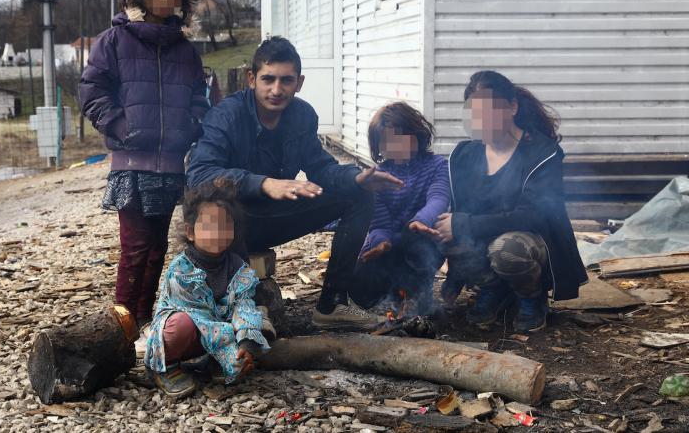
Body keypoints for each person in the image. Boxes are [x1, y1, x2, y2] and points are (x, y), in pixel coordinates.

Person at [186, 36, 404, 331]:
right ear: (252, 79)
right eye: (268, 79)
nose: (277, 90)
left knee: (359, 196)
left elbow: (320, 167)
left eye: (286, 80)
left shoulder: (302, 115)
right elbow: (199, 175)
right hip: (230, 224)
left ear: (299, 82)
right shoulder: (227, 115)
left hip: (271, 218)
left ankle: (333, 305)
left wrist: (355, 177)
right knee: (219, 205)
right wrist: (264, 184)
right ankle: (244, 307)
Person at [79, 0, 210, 330]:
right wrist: (120, 127)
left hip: (171, 165)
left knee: (156, 249)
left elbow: (199, 97)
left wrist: (192, 124)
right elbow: (91, 91)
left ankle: (144, 319)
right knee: (134, 249)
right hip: (132, 168)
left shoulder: (185, 51)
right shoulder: (114, 41)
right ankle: (121, 326)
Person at [436, 70, 587, 333]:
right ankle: (493, 290)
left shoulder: (542, 153)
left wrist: (464, 224)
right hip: (483, 236)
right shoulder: (465, 155)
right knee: (439, 231)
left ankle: (531, 297)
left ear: (512, 108)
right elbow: (460, 210)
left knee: (506, 249)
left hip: (530, 243)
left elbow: (534, 215)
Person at [144, 179, 269, 398]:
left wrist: (246, 343)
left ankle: (212, 362)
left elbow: (244, 304)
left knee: (247, 343)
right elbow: (199, 317)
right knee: (181, 325)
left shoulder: (238, 267)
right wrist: (229, 347)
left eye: (225, 226)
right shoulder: (181, 269)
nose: (218, 233)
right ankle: (165, 366)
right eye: (210, 226)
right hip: (187, 333)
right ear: (190, 232)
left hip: (215, 333)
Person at [350, 102, 450, 316]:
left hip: (423, 240)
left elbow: (439, 198)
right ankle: (394, 294)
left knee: (417, 247)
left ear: (417, 134)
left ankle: (417, 295)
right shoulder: (378, 176)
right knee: (360, 284)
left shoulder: (437, 166)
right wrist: (380, 242)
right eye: (388, 141)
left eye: (401, 137)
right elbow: (380, 222)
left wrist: (421, 221)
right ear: (378, 146)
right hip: (390, 243)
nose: (397, 145)